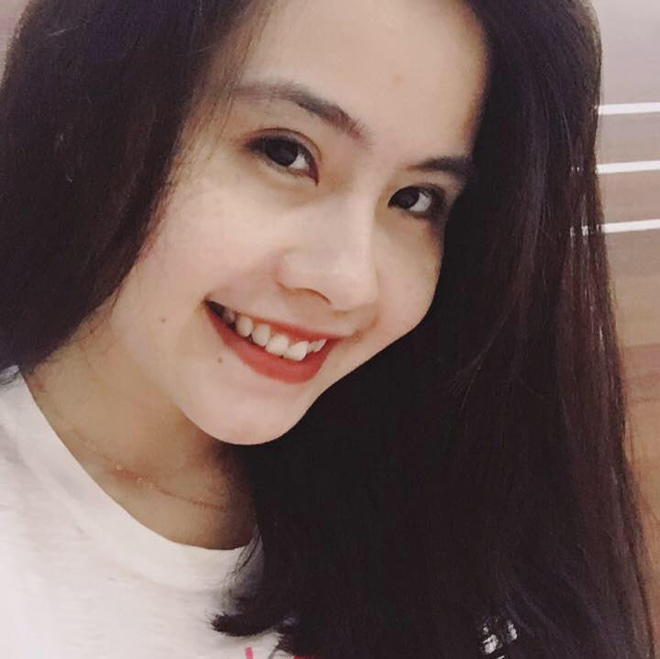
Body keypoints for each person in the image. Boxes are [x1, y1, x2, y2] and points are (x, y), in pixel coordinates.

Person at [0, 0, 654, 657]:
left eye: (414, 199)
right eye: (284, 152)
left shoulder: (439, 484)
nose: (350, 283)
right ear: (85, 115)